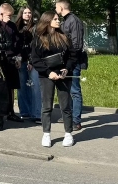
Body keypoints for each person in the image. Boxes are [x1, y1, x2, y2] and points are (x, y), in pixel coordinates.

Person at [30, 11, 79, 148]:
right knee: (47, 105)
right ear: (47, 21)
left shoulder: (64, 37)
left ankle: (68, 134)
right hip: (46, 76)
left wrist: (67, 69)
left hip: (63, 75)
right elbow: (35, 60)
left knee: (66, 105)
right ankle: (46, 134)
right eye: (55, 19)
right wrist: (48, 72)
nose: (59, 21)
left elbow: (73, 56)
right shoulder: (38, 39)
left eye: (58, 19)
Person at [56, 0, 86, 131]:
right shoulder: (65, 21)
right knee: (66, 90)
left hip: (73, 62)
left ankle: (76, 120)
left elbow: (77, 44)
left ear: (61, 8)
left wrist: (71, 62)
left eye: (56, 7)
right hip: (65, 62)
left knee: (74, 91)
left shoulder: (74, 21)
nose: (55, 10)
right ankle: (69, 116)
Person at [16, 6, 41, 122]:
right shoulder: (16, 27)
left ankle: (36, 113)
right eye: (25, 12)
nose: (27, 14)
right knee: (22, 87)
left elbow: (35, 46)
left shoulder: (35, 27)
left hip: (33, 61)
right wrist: (18, 59)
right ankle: (24, 111)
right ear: (21, 14)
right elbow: (16, 46)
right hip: (21, 61)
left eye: (29, 12)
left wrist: (31, 61)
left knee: (34, 86)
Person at [0, 3, 24, 122]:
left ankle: (11, 112)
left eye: (12, 15)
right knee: (0, 87)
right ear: (1, 14)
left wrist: (18, 57)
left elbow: (17, 43)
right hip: (0, 59)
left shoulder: (12, 26)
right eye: (8, 15)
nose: (10, 17)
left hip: (12, 59)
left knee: (11, 87)